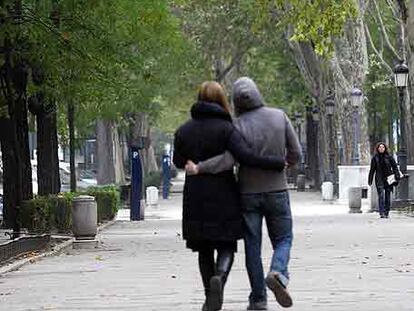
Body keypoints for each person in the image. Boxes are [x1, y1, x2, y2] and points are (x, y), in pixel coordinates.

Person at [186, 77, 301, 310]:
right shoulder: (279, 116)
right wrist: (286, 163)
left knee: (252, 247)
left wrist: (200, 167)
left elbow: (228, 160)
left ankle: (258, 299)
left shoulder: (236, 125)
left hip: (248, 193)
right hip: (277, 189)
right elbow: (296, 152)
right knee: (283, 238)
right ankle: (278, 271)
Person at [368, 142, 400, 218]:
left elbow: (395, 167)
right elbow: (372, 170)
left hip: (388, 179)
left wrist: (397, 176)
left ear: (385, 148)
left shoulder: (389, 157)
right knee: (381, 195)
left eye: (383, 147)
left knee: (388, 195)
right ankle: (381, 212)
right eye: (380, 147)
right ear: (377, 148)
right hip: (379, 179)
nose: (381, 149)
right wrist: (370, 179)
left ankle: (387, 212)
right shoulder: (375, 158)